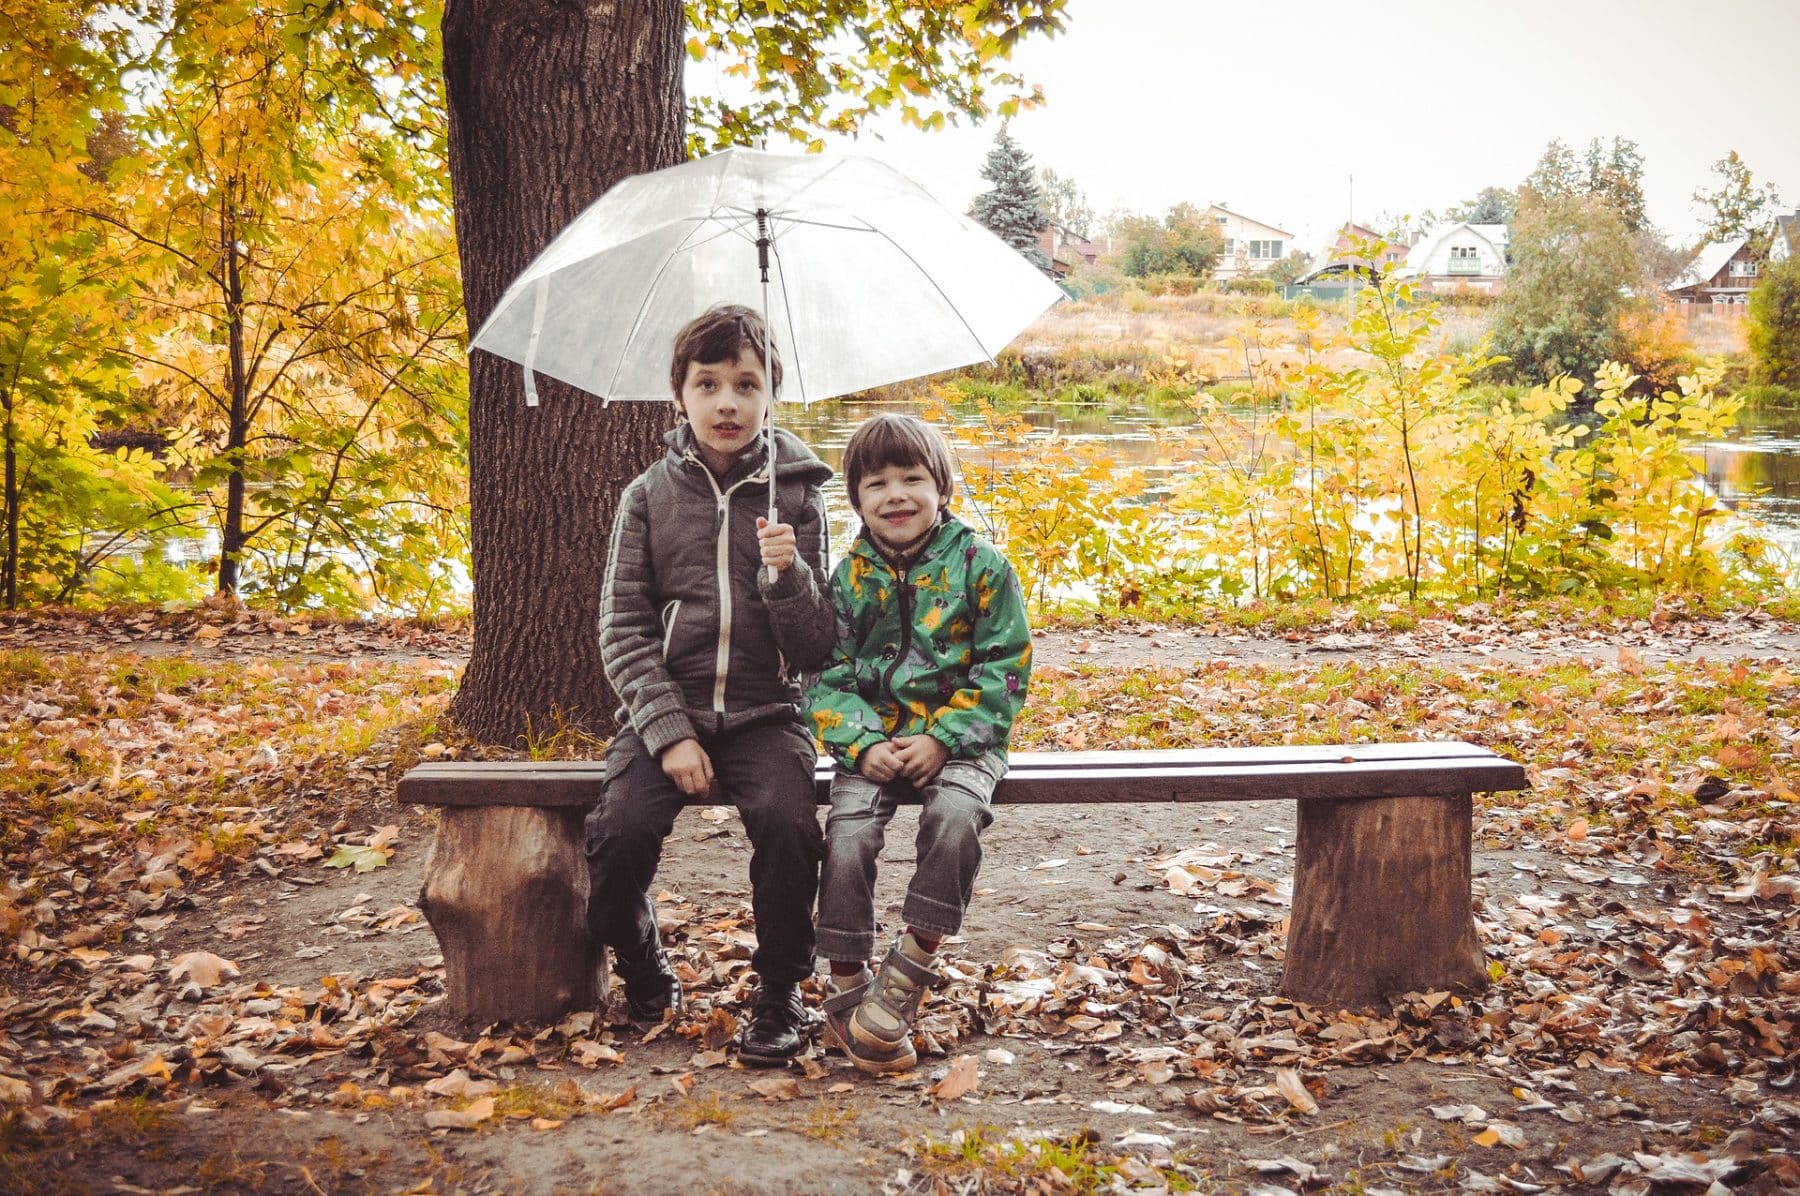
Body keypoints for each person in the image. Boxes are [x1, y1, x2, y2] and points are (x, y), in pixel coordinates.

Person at [586, 303, 834, 1067]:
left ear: (770, 395)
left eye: (747, 384)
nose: (728, 402)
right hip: (671, 709)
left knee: (792, 826)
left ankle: (780, 991)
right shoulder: (647, 496)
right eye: (709, 384)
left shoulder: (795, 496)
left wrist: (787, 578)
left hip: (766, 712)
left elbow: (820, 645)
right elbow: (622, 630)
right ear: (679, 395)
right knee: (618, 833)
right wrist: (669, 733)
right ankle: (641, 959)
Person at [806, 413, 1032, 1074]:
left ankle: (911, 967)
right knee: (846, 835)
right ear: (856, 501)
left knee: (955, 817)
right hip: (873, 744)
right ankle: (847, 982)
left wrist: (944, 735)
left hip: (965, 739)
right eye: (876, 483)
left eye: (912, 478)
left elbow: (1005, 668)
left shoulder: (981, 567)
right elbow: (826, 678)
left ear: (943, 488)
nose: (895, 495)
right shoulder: (848, 580)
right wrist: (862, 741)